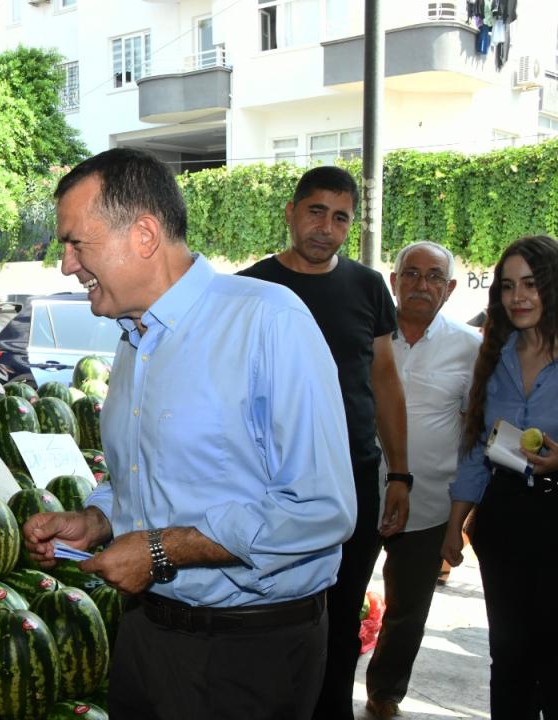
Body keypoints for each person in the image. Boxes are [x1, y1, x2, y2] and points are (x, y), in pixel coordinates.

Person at [23, 148, 356, 720]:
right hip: (147, 638)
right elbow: (154, 475)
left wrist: (159, 549)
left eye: (77, 244)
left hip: (247, 654)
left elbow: (321, 509)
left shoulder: (268, 321)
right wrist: (100, 518)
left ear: (145, 235)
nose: (67, 266)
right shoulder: (134, 337)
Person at [237, 166, 411, 720]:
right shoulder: (249, 288)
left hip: (354, 475)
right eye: (316, 211)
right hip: (271, 482)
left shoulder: (366, 286)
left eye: (340, 218)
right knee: (273, 611)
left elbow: (383, 379)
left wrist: (400, 475)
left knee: (341, 614)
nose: (326, 228)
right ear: (291, 212)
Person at [363, 241, 480, 718]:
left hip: (430, 504)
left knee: (408, 610)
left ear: (450, 289)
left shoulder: (471, 349)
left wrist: (463, 516)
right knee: (338, 595)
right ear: (393, 282)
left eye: (434, 277)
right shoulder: (366, 336)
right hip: (355, 496)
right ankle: (325, 688)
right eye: (410, 273)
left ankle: (385, 692)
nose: (421, 284)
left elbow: (475, 431)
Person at [444, 235, 558, 718]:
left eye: (531, 284)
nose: (519, 297)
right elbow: (476, 448)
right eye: (508, 286)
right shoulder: (496, 355)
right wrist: (455, 525)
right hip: (506, 519)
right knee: (508, 654)